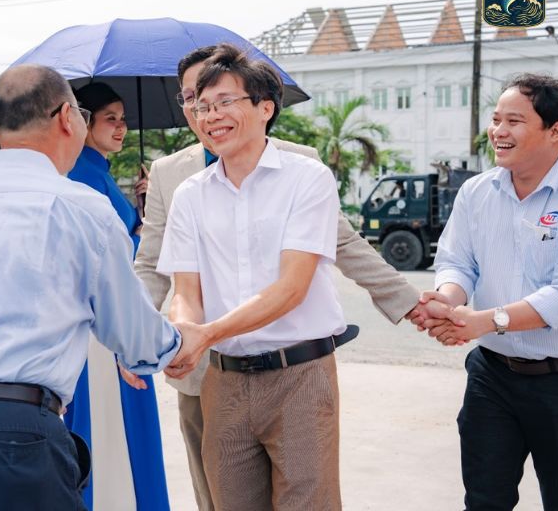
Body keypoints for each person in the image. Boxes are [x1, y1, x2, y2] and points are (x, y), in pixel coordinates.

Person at [0, 64, 196, 511]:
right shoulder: (82, 206)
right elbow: (136, 338)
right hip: (9, 430)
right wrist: (181, 341)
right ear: (68, 117)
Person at [134, 46, 423, 510]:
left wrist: (202, 334)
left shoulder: (306, 176)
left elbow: (294, 286)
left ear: (265, 107)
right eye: (200, 105)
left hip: (299, 377)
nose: (210, 115)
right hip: (222, 379)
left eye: (225, 102)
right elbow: (183, 290)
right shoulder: (186, 191)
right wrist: (177, 330)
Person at [417, 74, 558, 510]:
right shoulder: (477, 192)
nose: (498, 131)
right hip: (492, 378)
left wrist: (480, 322)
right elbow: (458, 262)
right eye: (495, 119)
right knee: (484, 499)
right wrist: (449, 300)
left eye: (514, 121)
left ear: (554, 131)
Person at [65, 81, 168, 511]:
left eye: (124, 119)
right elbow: (109, 255)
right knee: (109, 428)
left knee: (118, 428)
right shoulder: (82, 175)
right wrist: (142, 232)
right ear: (84, 122)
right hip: (102, 324)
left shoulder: (98, 171)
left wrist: (141, 212)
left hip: (112, 314)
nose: (122, 128)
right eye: (111, 118)